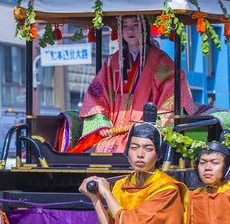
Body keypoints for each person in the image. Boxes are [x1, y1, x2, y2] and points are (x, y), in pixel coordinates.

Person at [71, 15, 194, 153]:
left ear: (145, 29)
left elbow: (172, 100)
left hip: (145, 132)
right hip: (113, 131)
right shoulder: (112, 62)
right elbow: (96, 94)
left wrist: (152, 125)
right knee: (88, 155)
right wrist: (102, 124)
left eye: (135, 25)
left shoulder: (164, 64)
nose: (130, 30)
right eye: (124, 26)